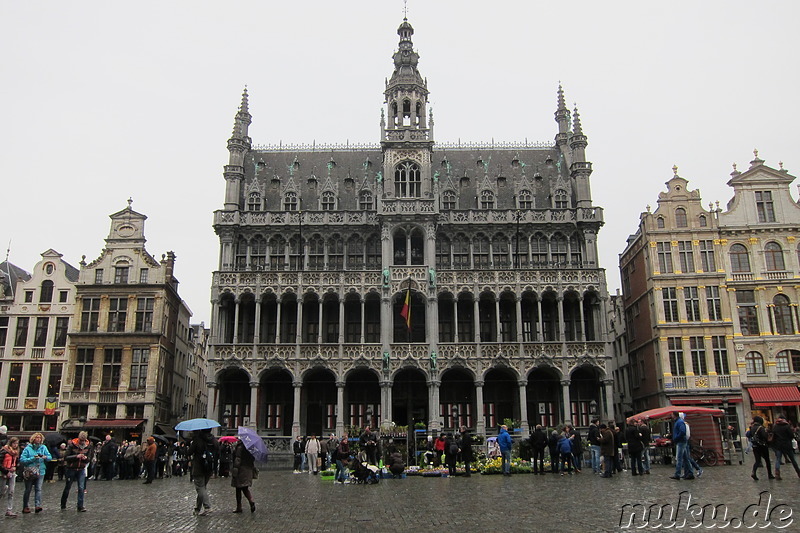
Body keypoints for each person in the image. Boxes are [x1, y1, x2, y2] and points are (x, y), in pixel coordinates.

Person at [20, 432, 52, 514]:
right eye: (37, 437)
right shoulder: (28, 448)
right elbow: (22, 460)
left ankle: (37, 505)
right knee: (28, 489)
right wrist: (33, 458)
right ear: (33, 439)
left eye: (40, 438)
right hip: (30, 471)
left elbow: (49, 457)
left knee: (38, 489)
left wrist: (45, 457)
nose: (38, 439)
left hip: (41, 471)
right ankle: (25, 506)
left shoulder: (43, 447)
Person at [61, 431, 93, 512]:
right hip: (71, 468)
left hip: (81, 468)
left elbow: (90, 457)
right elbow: (66, 457)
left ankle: (80, 506)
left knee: (81, 487)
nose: (82, 442)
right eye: (81, 440)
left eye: (84, 440)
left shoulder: (88, 446)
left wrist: (86, 458)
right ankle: (63, 503)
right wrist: (76, 456)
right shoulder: (72, 445)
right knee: (68, 487)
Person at [190, 428, 219, 516]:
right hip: (209, 467)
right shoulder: (214, 440)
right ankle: (197, 509)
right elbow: (218, 454)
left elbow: (189, 452)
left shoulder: (197, 440)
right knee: (202, 488)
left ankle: (207, 507)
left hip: (199, 467)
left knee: (200, 488)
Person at [770, 415, 800, 480]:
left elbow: (773, 437)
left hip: (778, 445)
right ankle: (798, 472)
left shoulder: (775, 426)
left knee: (778, 459)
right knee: (793, 460)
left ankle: (777, 472)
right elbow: (791, 435)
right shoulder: (787, 426)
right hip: (787, 445)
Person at [230, 440, 257, 513]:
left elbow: (238, 459)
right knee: (244, 488)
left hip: (240, 470)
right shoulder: (251, 447)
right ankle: (249, 501)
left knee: (239, 488)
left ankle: (241, 506)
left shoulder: (240, 447)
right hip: (248, 469)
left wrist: (235, 470)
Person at [747, 415, 773, 481]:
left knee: (757, 461)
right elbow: (764, 436)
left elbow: (749, 435)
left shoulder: (751, 427)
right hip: (762, 445)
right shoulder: (761, 428)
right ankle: (770, 474)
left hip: (755, 446)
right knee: (767, 460)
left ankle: (753, 472)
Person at [669, 412, 693, 480]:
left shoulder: (679, 422)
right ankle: (690, 473)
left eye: (672, 414)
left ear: (674, 415)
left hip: (681, 442)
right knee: (685, 458)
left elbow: (682, 431)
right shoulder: (679, 422)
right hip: (681, 441)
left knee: (679, 458)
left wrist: (676, 437)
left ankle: (677, 474)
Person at [1, 436, 20, 517]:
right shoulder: (4, 451)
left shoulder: (16, 452)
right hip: (3, 473)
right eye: (14, 443)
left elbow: (17, 462)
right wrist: (6, 471)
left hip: (12, 472)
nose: (15, 445)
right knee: (1, 491)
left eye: (17, 444)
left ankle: (9, 509)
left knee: (11, 491)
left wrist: (15, 467)